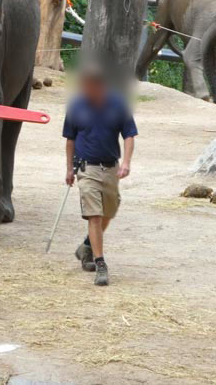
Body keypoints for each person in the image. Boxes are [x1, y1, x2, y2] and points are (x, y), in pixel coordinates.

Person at [63, 63, 137, 285]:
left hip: (111, 168)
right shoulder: (76, 106)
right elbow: (70, 139)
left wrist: (126, 162)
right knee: (94, 215)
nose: (85, 90)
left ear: (100, 86)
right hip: (86, 168)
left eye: (89, 86)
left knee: (109, 211)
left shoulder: (118, 104)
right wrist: (69, 169)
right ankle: (100, 264)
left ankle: (86, 246)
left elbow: (129, 135)